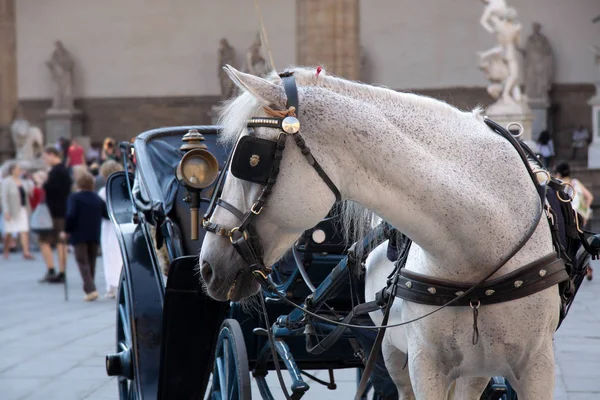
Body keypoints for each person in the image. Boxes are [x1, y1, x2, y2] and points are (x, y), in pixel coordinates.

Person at [63, 172, 106, 301]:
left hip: (79, 234)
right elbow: (106, 214)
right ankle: (90, 288)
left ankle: (90, 289)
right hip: (94, 233)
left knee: (82, 261)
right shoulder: (97, 198)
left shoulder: (74, 198)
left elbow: (71, 215)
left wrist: (66, 230)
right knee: (91, 261)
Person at [555, 161, 594, 280]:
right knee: (584, 245)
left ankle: (579, 269)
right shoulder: (575, 182)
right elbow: (590, 197)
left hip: (571, 221)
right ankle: (588, 268)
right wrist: (586, 213)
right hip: (582, 218)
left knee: (573, 246)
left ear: (558, 173)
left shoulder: (560, 185)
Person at [39, 146, 72, 283]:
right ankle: (60, 272)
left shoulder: (57, 171)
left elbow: (55, 190)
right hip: (61, 210)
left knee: (45, 240)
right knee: (60, 242)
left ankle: (53, 270)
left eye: (45, 157)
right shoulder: (63, 170)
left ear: (51, 154)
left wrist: (43, 183)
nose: (44, 160)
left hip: (53, 212)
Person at [98, 160, 124, 298]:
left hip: (109, 226)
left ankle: (112, 286)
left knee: (110, 256)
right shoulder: (123, 187)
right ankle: (116, 283)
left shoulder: (104, 190)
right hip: (121, 223)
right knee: (119, 255)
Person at [1, 163, 34, 260]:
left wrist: (28, 180)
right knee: (9, 232)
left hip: (22, 208)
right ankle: (6, 249)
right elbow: (4, 197)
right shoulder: (7, 181)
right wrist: (6, 210)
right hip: (11, 209)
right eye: (18, 169)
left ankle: (26, 252)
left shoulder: (23, 181)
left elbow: (29, 192)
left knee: (24, 230)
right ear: (12, 171)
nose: (20, 170)